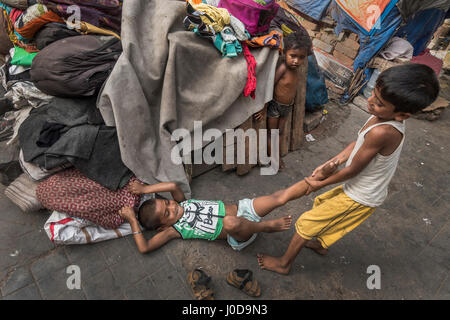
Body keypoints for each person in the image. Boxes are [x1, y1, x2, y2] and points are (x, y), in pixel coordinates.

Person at [257, 64, 440, 274]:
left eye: (379, 103)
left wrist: (320, 183)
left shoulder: (384, 132)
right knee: (322, 205)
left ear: (403, 115)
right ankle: (320, 244)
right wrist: (334, 161)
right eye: (373, 94)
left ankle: (284, 264)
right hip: (359, 186)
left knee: (306, 223)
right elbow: (357, 144)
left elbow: (353, 170)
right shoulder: (381, 116)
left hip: (362, 195)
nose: (370, 101)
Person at [118, 162, 338, 254]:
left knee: (279, 197)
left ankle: (315, 179)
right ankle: (266, 227)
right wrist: (132, 220)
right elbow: (144, 248)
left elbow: (173, 186)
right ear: (162, 226)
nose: (172, 207)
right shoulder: (173, 231)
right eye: (167, 213)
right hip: (239, 234)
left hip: (244, 209)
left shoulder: (182, 201)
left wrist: (144, 190)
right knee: (229, 222)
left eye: (167, 202)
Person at [254, 31, 312, 170]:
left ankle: (277, 156)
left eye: (301, 57)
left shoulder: (296, 68)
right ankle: (275, 159)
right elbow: (270, 86)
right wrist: (264, 107)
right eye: (293, 56)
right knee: (272, 133)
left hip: (287, 106)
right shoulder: (283, 68)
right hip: (275, 106)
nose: (296, 61)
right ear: (285, 53)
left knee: (279, 132)